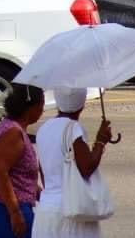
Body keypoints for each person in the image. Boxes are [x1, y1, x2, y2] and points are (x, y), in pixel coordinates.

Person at [33, 87, 112, 238]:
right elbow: (86, 167)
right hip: (71, 211)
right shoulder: (74, 128)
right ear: (81, 105)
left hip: (46, 211)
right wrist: (101, 141)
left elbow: (43, 171)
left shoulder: (43, 129)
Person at [0, 83, 44, 238]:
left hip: (8, 206)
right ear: (30, 108)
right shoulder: (13, 133)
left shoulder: (14, 128)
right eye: (41, 106)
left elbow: (19, 176)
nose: (42, 111)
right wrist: (15, 212)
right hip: (0, 209)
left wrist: (43, 196)